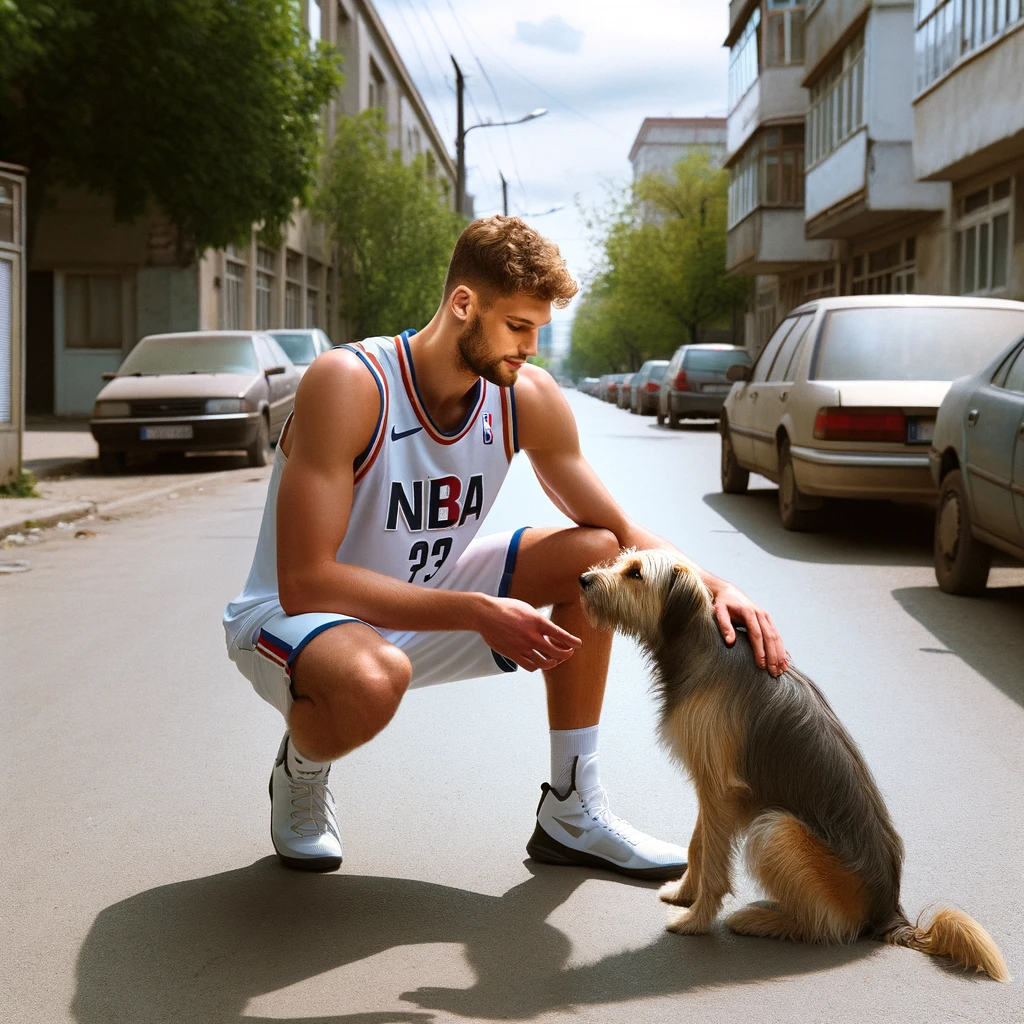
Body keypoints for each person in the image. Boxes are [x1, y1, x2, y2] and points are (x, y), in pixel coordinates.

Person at [223, 216, 787, 877]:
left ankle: (573, 808)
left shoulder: (524, 396)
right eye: (519, 326)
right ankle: (301, 767)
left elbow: (621, 531)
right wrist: (477, 611)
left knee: (599, 554)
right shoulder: (350, 383)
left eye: (540, 330)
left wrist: (721, 586)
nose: (531, 347)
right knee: (372, 682)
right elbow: (307, 582)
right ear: (465, 304)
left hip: (428, 596)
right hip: (296, 622)